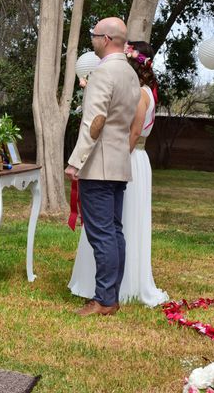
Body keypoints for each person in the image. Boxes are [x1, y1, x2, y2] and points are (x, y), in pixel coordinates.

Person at [68, 40, 169, 307]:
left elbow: (133, 133)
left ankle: (108, 294)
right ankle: (110, 290)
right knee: (116, 226)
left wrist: (114, 159)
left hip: (125, 158)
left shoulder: (141, 93)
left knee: (110, 228)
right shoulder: (142, 89)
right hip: (131, 159)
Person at [64, 17, 141, 317]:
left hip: (98, 165)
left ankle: (104, 299)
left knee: (101, 235)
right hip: (119, 162)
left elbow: (95, 122)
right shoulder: (131, 74)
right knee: (114, 231)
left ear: (107, 39)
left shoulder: (102, 73)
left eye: (94, 35)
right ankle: (111, 295)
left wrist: (76, 161)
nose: (92, 39)